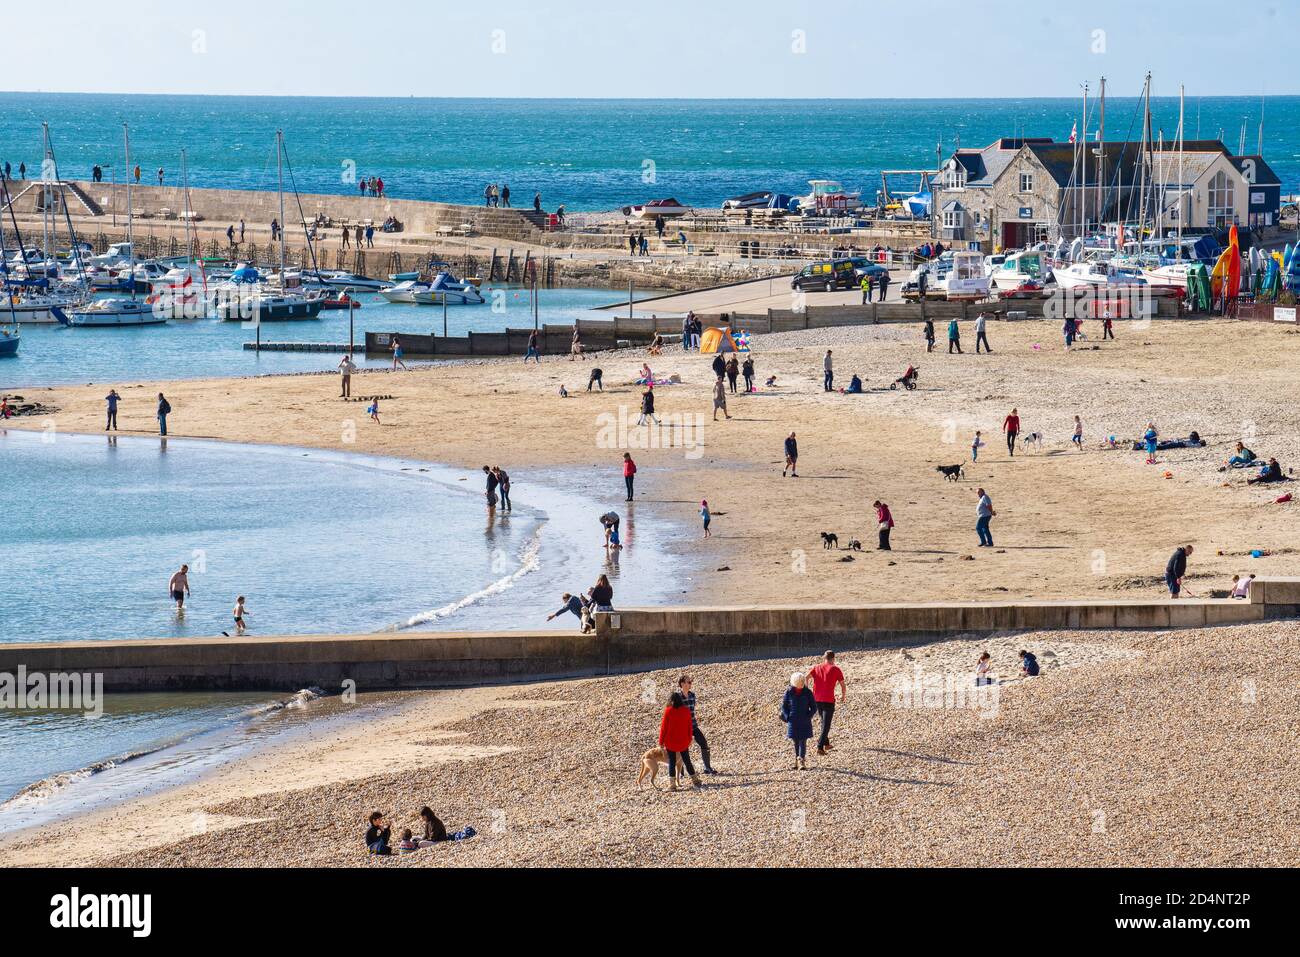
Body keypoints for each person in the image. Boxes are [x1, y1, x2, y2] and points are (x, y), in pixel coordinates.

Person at [658, 691, 702, 791]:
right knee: (687, 761)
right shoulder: (686, 710)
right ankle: (695, 780)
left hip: (670, 741)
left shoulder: (668, 711)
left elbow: (663, 728)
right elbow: (689, 726)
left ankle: (672, 785)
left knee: (672, 762)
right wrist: (689, 739)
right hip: (683, 741)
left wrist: (661, 742)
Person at [808, 651, 846, 756]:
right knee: (826, 724)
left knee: (823, 721)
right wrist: (843, 696)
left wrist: (808, 691)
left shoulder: (817, 667)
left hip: (817, 700)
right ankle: (820, 746)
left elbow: (806, 678)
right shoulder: (836, 669)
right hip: (828, 700)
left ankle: (827, 743)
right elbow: (843, 685)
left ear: (824, 658)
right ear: (833, 658)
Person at [677, 675, 716, 775]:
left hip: (693, 725)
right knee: (682, 749)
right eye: (688, 682)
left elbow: (692, 711)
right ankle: (681, 772)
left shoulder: (692, 695)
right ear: (682, 684)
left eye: (690, 682)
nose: (690, 684)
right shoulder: (677, 697)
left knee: (704, 743)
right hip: (682, 728)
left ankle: (707, 768)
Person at [780, 672, 817, 770]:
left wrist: (808, 716)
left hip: (804, 720)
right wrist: (787, 717)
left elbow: (814, 707)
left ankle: (801, 761)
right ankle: (797, 761)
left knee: (802, 741)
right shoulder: (788, 692)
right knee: (795, 740)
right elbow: (784, 706)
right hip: (793, 720)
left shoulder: (808, 692)